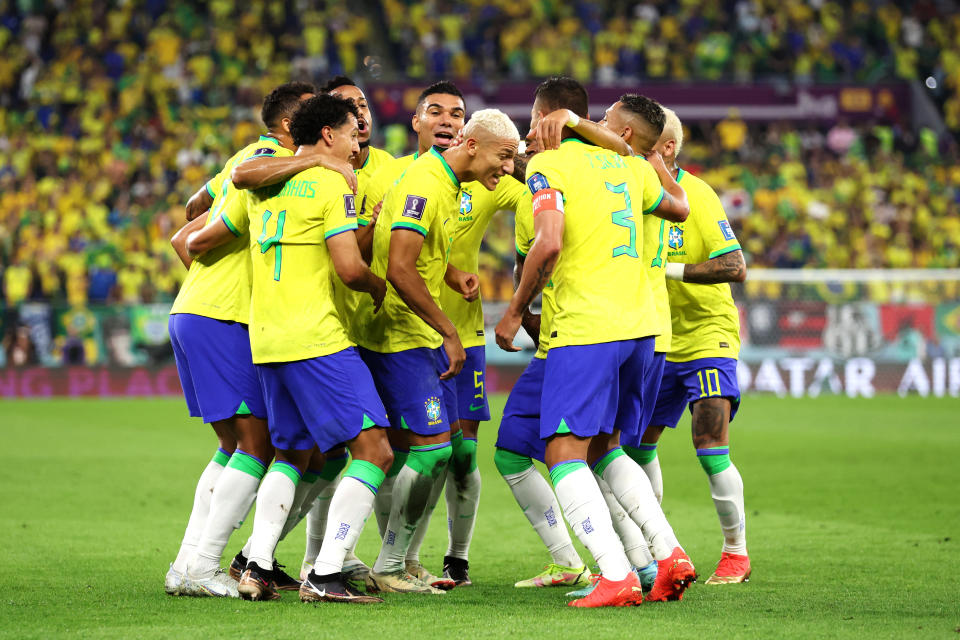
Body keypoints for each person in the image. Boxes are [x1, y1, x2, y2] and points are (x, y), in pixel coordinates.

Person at [188, 93, 395, 604]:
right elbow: (348, 268)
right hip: (317, 336)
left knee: (291, 453)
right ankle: (325, 574)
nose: (356, 145)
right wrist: (377, 288)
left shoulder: (264, 180)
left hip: (267, 340)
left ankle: (256, 567)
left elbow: (220, 202)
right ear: (327, 134)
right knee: (375, 451)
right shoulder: (330, 181)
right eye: (351, 134)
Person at [495, 77, 690, 607]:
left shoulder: (552, 165)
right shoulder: (630, 165)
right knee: (605, 447)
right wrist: (633, 149)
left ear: (546, 117)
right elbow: (679, 207)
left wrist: (514, 313)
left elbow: (549, 240)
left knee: (562, 451)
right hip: (640, 332)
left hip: (584, 328)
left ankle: (614, 573)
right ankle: (668, 552)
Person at [354, 109, 519, 595]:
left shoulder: (450, 184)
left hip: (415, 336)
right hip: (400, 336)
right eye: (503, 157)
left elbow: (416, 253)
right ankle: (383, 563)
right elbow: (400, 268)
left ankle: (401, 560)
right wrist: (449, 330)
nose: (508, 168)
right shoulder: (426, 181)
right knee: (428, 452)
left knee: (433, 452)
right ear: (471, 145)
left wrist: (451, 275)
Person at [313, 81, 470, 591]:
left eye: (363, 105)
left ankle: (395, 560)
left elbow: (409, 245)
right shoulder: (321, 174)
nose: (359, 114)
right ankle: (327, 559)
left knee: (398, 450)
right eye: (347, 108)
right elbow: (373, 256)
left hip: (396, 329)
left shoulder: (399, 170)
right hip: (353, 328)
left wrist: (450, 277)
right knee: (334, 455)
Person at [165, 81, 317, 598]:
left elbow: (191, 210)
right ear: (289, 122)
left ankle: (187, 564)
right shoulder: (271, 165)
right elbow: (196, 235)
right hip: (223, 315)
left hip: (196, 309)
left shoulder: (250, 155)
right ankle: (204, 566)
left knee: (234, 446)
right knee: (258, 444)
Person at [638, 107, 751, 586]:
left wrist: (673, 271)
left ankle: (735, 554)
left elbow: (735, 265)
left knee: (709, 445)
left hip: (707, 334)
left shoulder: (698, 196)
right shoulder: (631, 191)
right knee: (636, 448)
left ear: (666, 148)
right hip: (656, 334)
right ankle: (660, 549)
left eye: (641, 140)